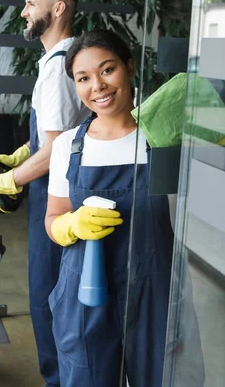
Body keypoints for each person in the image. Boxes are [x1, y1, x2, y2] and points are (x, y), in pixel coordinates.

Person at [0, 0, 89, 387]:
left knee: (47, 298)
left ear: (58, 9)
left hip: (55, 198)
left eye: (31, 3)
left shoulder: (59, 67)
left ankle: (58, 381)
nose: (23, 10)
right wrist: (23, 151)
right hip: (57, 192)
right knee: (55, 296)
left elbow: (56, 151)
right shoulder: (62, 58)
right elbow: (60, 134)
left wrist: (8, 182)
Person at [45, 29, 175, 387]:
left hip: (154, 290)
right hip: (85, 293)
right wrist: (71, 226)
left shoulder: (160, 138)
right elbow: (52, 218)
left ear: (129, 68)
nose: (97, 86)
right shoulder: (69, 146)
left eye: (107, 70)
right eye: (83, 78)